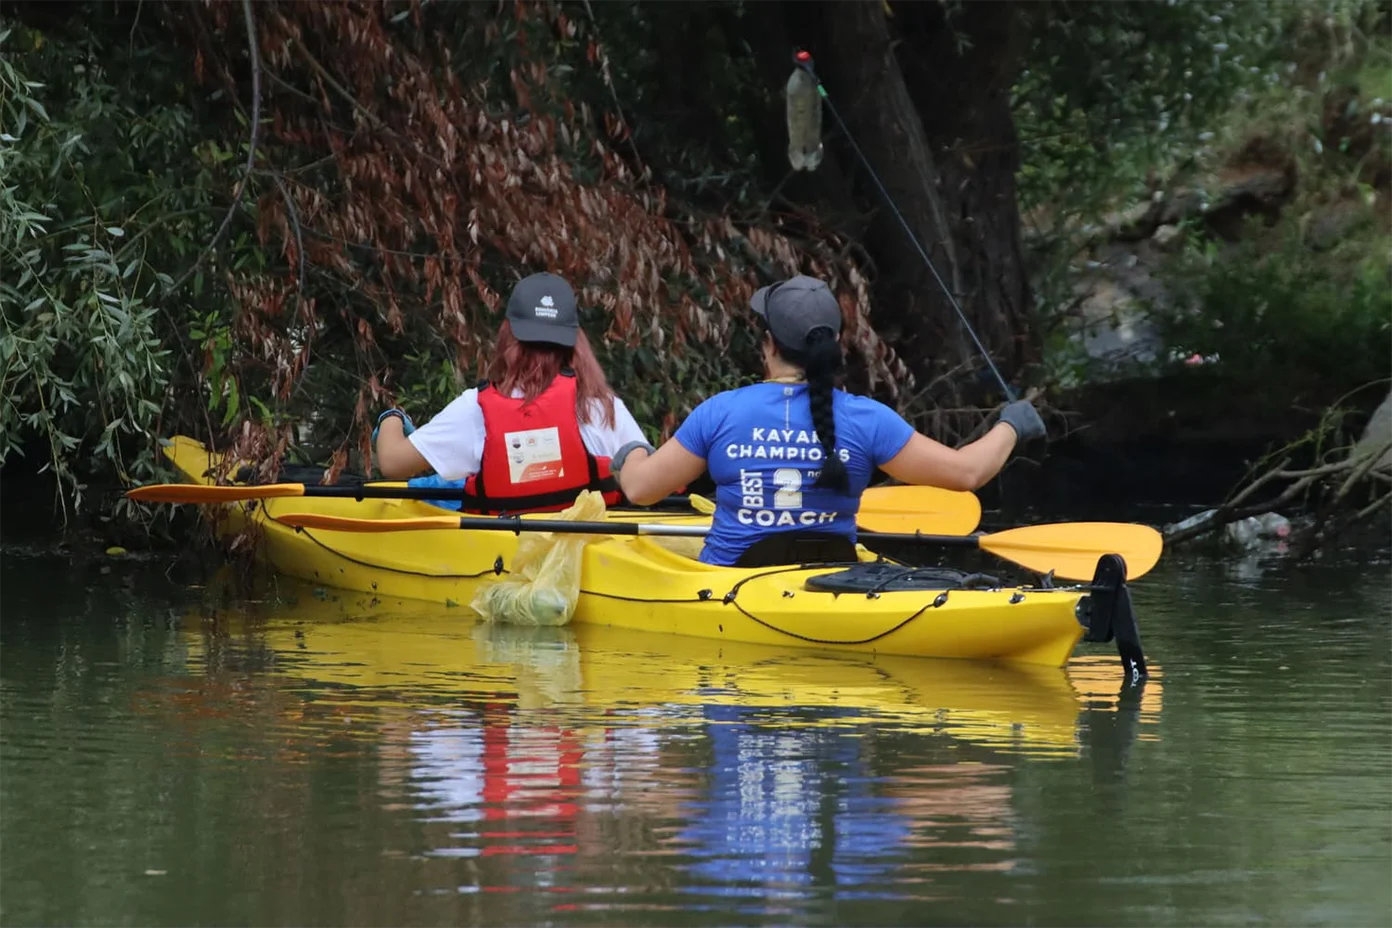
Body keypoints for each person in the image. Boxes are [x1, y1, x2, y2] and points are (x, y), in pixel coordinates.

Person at [610, 275, 1047, 567]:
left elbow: (642, 490)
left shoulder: (720, 411)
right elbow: (968, 472)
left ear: (767, 345)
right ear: (836, 343)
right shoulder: (868, 419)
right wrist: (1012, 424)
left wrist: (629, 453)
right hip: (830, 584)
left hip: (728, 588)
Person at [373, 272, 649, 513]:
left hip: (501, 559)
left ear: (508, 336)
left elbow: (392, 463)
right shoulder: (601, 407)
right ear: (576, 341)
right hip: (595, 559)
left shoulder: (475, 409)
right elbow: (647, 481)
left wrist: (391, 418)